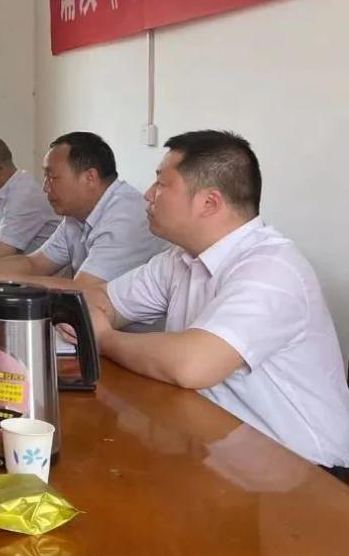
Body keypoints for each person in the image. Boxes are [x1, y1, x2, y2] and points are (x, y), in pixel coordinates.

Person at [76, 130, 349, 474]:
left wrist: (104, 337)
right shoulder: (180, 259)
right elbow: (102, 301)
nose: (148, 194)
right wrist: (99, 320)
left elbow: (193, 365)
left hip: (304, 471)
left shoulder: (272, 268)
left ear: (209, 202)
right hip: (221, 448)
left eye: (161, 184)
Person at [0, 131, 165, 291]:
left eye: (52, 178)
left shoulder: (125, 217)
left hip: (135, 335)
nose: (45, 188)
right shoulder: (76, 215)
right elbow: (34, 263)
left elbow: (82, 290)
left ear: (90, 177)